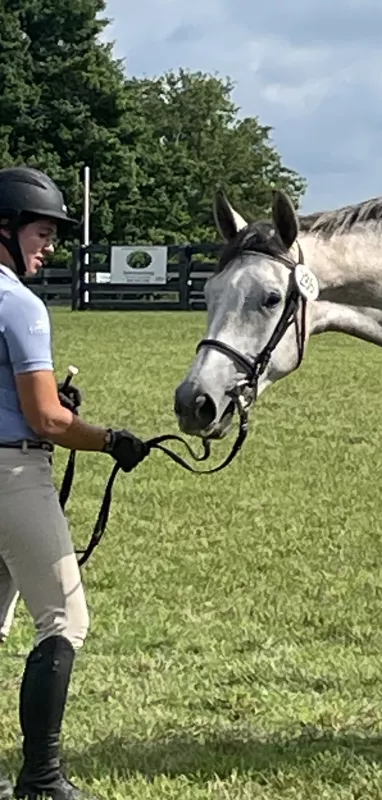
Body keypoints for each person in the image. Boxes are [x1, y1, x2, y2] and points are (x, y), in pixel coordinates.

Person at [0, 165, 151, 800]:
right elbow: (48, 419)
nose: (51, 244)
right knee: (64, 619)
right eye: (41, 231)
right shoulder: (20, 305)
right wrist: (111, 439)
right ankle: (41, 778)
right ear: (3, 230)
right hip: (12, 475)